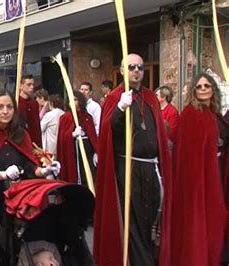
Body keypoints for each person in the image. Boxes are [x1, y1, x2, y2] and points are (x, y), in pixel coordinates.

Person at [0, 89, 61, 266]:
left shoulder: (21, 134)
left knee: (19, 246)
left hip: (20, 202)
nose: (5, 111)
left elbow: (29, 165)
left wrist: (44, 171)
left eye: (9, 107)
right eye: (0, 107)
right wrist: (2, 174)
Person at [93, 54, 172, 266]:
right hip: (129, 167)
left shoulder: (150, 97)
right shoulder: (114, 98)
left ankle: (151, 256)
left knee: (152, 214)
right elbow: (109, 131)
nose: (136, 70)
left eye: (139, 67)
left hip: (151, 167)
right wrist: (119, 109)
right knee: (134, 219)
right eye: (131, 67)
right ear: (122, 71)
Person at [163, 73, 227, 265]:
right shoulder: (191, 114)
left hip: (213, 176)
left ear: (213, 89)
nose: (203, 89)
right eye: (199, 87)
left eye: (207, 85)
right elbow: (188, 156)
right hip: (196, 182)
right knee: (197, 226)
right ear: (193, 91)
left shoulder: (212, 114)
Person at [56, 91, 98, 186]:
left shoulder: (87, 117)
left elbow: (93, 137)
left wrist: (96, 152)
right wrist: (72, 134)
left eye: (75, 99)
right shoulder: (65, 118)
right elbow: (62, 138)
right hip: (73, 153)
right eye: (70, 100)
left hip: (88, 152)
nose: (72, 102)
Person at [19, 74, 42, 147]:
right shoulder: (16, 102)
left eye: (32, 84)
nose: (32, 87)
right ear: (21, 86)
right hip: (21, 142)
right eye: (29, 84)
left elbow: (37, 125)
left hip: (35, 143)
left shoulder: (34, 103)